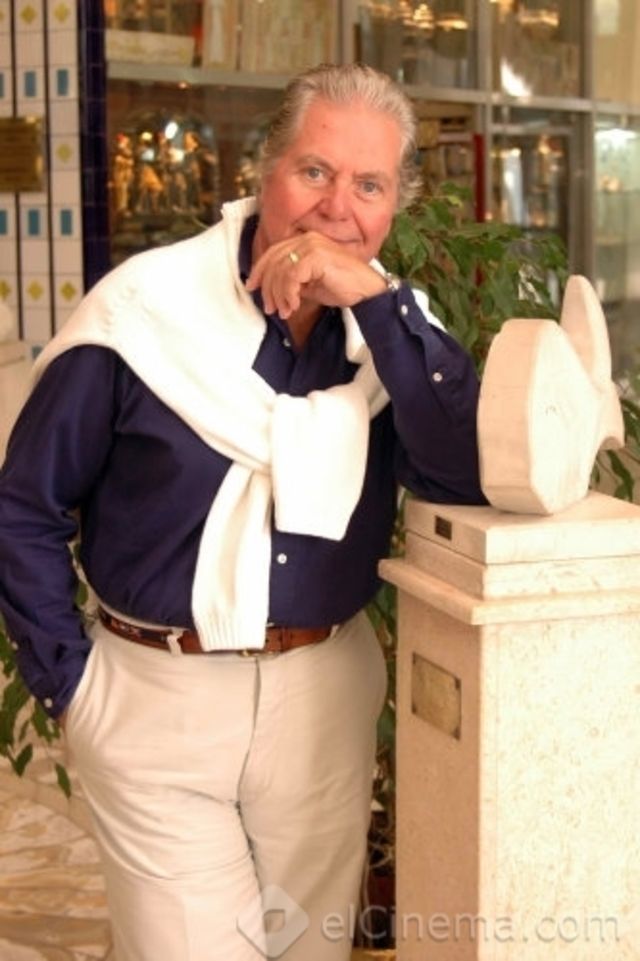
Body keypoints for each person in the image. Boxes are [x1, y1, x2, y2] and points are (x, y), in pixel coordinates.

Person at [0, 63, 485, 961]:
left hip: (325, 696)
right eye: (315, 171)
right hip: (157, 698)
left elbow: (461, 474)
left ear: (394, 206)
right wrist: (71, 684)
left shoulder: (391, 333)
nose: (337, 208)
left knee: (311, 948)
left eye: (369, 185)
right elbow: (24, 505)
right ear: (264, 170)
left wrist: (378, 307)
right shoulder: (142, 311)